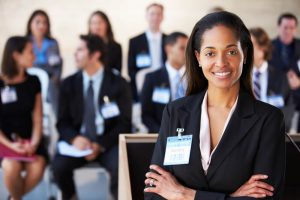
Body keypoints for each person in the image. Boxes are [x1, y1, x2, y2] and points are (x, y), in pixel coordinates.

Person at [144, 11, 285, 199]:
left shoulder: (268, 120)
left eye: (231, 52)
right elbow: (154, 194)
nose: (221, 63)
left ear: (245, 54)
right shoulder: (176, 112)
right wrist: (231, 197)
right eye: (210, 53)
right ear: (198, 57)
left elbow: (267, 197)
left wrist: (185, 194)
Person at [52, 35, 132, 200]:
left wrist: (100, 145)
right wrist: (74, 139)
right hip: (78, 144)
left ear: (95, 54)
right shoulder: (68, 83)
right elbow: (62, 122)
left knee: (121, 165)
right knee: (59, 166)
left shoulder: (118, 83)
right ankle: (71, 196)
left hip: (107, 143)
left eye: (80, 50)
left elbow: (124, 123)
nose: (75, 54)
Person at [0, 36, 48, 200]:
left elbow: (37, 118)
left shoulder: (33, 81)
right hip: (4, 141)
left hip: (30, 139)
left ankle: (13, 198)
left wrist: (33, 144)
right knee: (11, 167)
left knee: (37, 167)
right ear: (16, 55)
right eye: (30, 52)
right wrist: (12, 146)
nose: (34, 56)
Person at [141, 32, 188, 133]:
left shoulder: (196, 78)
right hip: (161, 135)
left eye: (188, 49)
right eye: (182, 48)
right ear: (168, 49)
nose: (187, 53)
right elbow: (146, 115)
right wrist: (163, 133)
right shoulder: (152, 78)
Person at [250, 27, 293, 131]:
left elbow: (288, 109)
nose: (245, 49)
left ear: (263, 48)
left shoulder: (280, 77)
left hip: (272, 133)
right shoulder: (239, 77)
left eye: (250, 45)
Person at [128, 3, 167, 102]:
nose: (155, 17)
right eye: (152, 14)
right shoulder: (135, 41)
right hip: (143, 84)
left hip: (164, 85)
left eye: (158, 14)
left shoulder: (168, 40)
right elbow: (131, 69)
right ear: (146, 16)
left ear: (162, 17)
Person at [26, 9, 63, 115]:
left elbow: (57, 66)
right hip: (30, 80)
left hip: (50, 80)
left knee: (54, 86)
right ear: (30, 24)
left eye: (44, 23)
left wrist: (53, 77)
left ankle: (58, 119)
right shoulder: (25, 42)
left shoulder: (52, 43)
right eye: (38, 22)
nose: (41, 26)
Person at [269, 13, 300, 132]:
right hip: (277, 101)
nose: (288, 31)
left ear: (295, 29)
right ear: (278, 27)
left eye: (291, 28)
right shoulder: (269, 47)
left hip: (298, 98)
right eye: (285, 27)